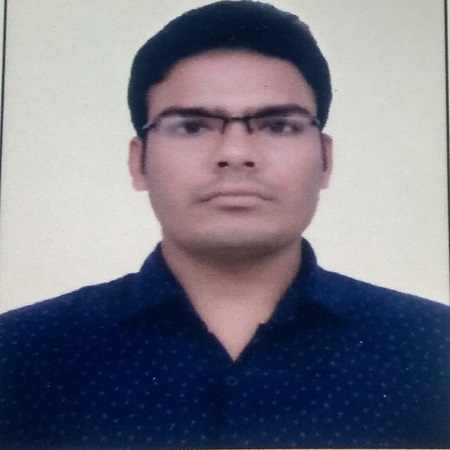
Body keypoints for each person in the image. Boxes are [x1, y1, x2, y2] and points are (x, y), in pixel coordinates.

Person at [0, 1, 448, 448]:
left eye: (278, 126)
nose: (236, 153)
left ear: (326, 160)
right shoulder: (21, 353)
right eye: (192, 127)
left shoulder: (432, 348)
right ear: (139, 162)